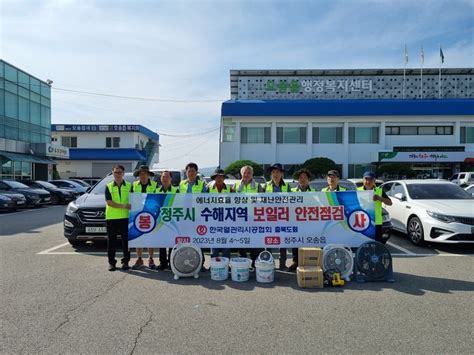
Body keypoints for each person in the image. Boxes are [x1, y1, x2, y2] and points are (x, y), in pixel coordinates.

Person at [233, 165, 265, 268]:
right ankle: (242, 261)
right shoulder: (235, 185)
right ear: (241, 174)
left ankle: (255, 261)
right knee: (241, 240)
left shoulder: (258, 186)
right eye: (244, 173)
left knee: (254, 240)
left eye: (249, 173)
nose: (246, 175)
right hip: (239, 217)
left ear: (252, 174)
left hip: (253, 217)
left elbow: (263, 201)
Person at [179, 162, 207, 271]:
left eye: (193, 171)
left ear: (196, 173)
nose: (191, 173)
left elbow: (205, 200)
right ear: (186, 172)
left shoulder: (201, 184)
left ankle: (201, 263)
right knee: (185, 240)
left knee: (199, 240)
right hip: (184, 216)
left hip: (197, 216)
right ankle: (186, 261)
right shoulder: (182, 184)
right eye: (189, 171)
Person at [105, 164, 132, 271]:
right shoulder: (109, 186)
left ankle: (126, 262)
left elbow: (135, 199)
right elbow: (109, 202)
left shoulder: (129, 186)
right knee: (111, 242)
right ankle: (112, 263)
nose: (117, 174)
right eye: (115, 172)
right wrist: (123, 206)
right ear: (112, 173)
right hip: (112, 218)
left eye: (120, 172)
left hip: (126, 218)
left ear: (123, 173)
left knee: (126, 241)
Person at [131, 165, 158, 270]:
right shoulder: (134, 185)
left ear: (148, 175)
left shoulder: (155, 185)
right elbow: (131, 199)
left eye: (145, 173)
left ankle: (151, 259)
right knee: (139, 238)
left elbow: (157, 199)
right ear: (138, 175)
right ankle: (139, 259)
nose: (143, 175)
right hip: (137, 214)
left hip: (151, 214)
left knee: (150, 238)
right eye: (141, 173)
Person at [265, 163, 291, 271]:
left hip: (283, 217)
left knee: (283, 241)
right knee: (268, 241)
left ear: (281, 174)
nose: (275, 174)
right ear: (271, 174)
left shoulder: (286, 186)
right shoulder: (266, 186)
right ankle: (269, 262)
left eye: (278, 172)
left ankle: (282, 264)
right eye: (273, 172)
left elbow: (291, 201)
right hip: (269, 217)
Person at [289, 168, 315, 272]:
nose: (303, 179)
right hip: (296, 220)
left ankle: (308, 261)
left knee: (308, 241)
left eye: (305, 177)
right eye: (301, 177)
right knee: (295, 241)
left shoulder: (314, 191)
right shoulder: (292, 191)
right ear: (298, 179)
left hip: (309, 220)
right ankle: (295, 262)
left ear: (308, 179)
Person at [357, 171, 392, 243]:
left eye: (370, 179)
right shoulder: (358, 190)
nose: (368, 181)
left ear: (374, 180)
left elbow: (390, 203)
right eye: (366, 179)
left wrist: (380, 198)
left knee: (377, 242)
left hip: (376, 222)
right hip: (362, 221)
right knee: (362, 241)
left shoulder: (379, 190)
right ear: (363, 180)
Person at [156, 170, 179, 270]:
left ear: (171, 178)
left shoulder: (176, 190)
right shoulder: (156, 191)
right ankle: (163, 263)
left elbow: (179, 205)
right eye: (163, 177)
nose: (164, 179)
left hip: (172, 221)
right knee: (161, 242)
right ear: (160, 178)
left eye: (167, 177)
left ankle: (171, 262)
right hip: (160, 221)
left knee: (172, 243)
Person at [207, 168, 232, 259]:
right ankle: (214, 263)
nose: (219, 179)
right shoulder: (208, 189)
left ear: (224, 178)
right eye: (217, 177)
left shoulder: (230, 189)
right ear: (214, 178)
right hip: (213, 219)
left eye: (221, 177)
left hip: (227, 219)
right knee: (214, 242)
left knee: (226, 243)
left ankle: (226, 263)